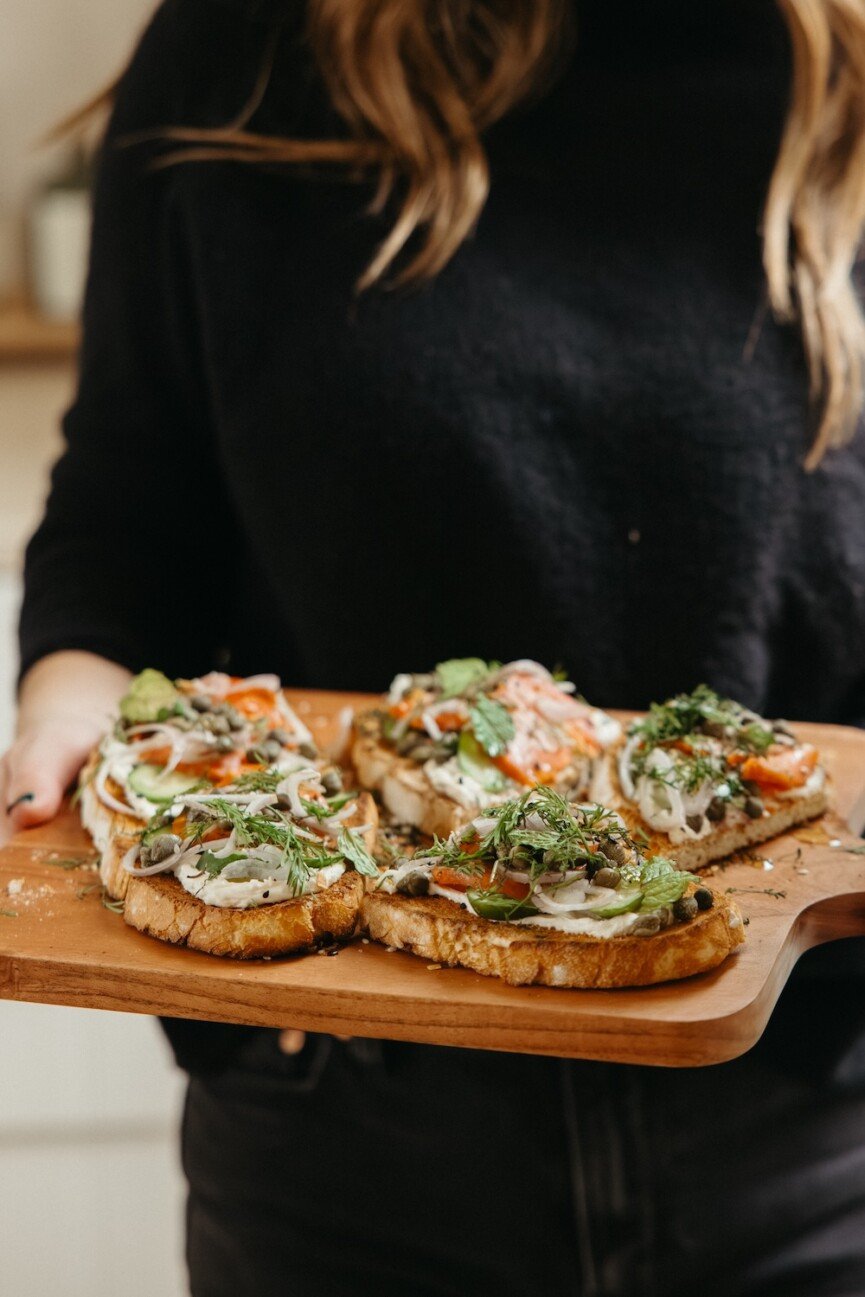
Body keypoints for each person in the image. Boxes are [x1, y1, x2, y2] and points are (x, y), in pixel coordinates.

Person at [4, 0, 865, 1292]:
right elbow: (133, 496)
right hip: (343, 1122)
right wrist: (78, 688)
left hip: (814, 1128)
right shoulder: (242, 52)